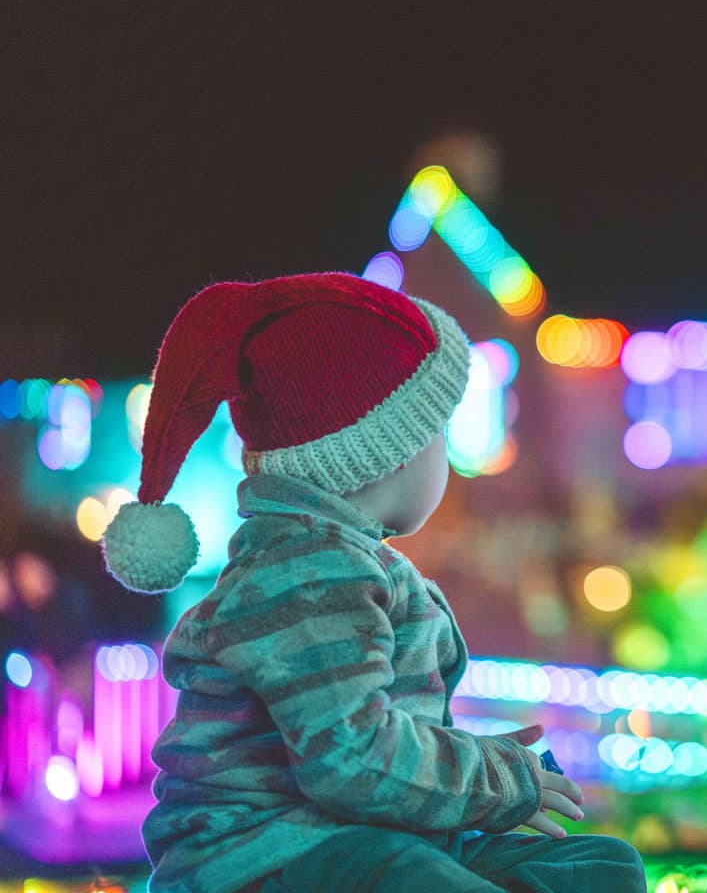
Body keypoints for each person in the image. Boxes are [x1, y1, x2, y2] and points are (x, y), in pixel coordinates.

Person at [101, 274, 646, 893]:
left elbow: (354, 730)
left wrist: (466, 758)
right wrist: (488, 777)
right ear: (393, 451)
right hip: (261, 859)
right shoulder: (308, 575)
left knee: (597, 869)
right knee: (418, 879)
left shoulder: (335, 560)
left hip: (352, 842)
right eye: (440, 433)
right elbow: (351, 761)